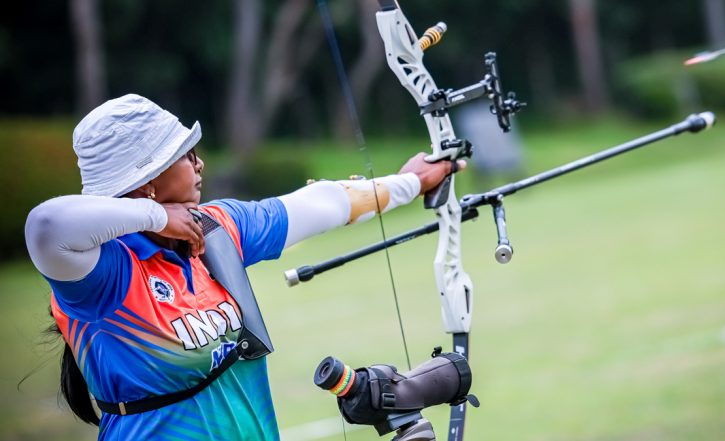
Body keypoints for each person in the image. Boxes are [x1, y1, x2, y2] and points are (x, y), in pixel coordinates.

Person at [24, 94, 462, 440]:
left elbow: (319, 205)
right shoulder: (103, 274)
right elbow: (45, 225)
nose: (199, 164)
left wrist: (411, 181)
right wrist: (158, 218)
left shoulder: (216, 229)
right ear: (148, 181)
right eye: (184, 155)